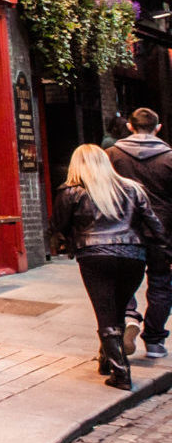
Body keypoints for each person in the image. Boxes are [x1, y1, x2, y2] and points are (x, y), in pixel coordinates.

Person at [50, 145, 168, 390]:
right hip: (133, 255)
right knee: (117, 308)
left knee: (105, 311)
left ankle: (121, 373)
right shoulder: (132, 189)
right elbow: (154, 226)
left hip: (94, 255)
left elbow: (59, 225)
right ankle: (106, 360)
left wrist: (65, 241)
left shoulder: (71, 192)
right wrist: (166, 252)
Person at [106, 108, 172, 359]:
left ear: (130, 127)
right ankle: (154, 341)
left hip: (123, 227)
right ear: (158, 128)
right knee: (161, 283)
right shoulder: (169, 158)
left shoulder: (112, 155)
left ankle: (129, 315)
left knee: (122, 280)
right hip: (161, 230)